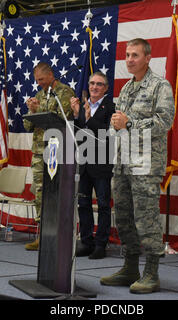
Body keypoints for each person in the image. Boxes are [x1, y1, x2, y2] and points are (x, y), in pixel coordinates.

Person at [99, 38, 174, 294]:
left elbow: (165, 122)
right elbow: (118, 124)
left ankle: (151, 272)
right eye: (127, 55)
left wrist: (130, 124)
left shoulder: (160, 86)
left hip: (145, 164)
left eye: (135, 55)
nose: (129, 59)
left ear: (148, 57)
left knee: (146, 217)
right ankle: (130, 267)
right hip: (122, 162)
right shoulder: (127, 89)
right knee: (123, 216)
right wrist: (115, 126)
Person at [23, 62, 75, 251]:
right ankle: (42, 234)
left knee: (55, 193)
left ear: (51, 75)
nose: (39, 84)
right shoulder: (39, 95)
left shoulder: (65, 92)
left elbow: (63, 119)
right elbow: (28, 126)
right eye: (37, 80)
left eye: (42, 80)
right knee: (39, 193)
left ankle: (57, 235)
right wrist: (32, 111)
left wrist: (42, 112)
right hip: (38, 150)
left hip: (56, 149)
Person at [70, 72, 115, 259]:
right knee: (83, 203)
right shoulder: (83, 106)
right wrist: (76, 116)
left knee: (104, 204)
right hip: (84, 163)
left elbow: (108, 133)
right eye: (92, 84)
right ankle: (87, 242)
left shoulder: (111, 107)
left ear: (105, 88)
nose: (94, 87)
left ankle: (101, 244)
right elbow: (78, 133)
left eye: (99, 84)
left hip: (102, 163)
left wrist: (89, 119)